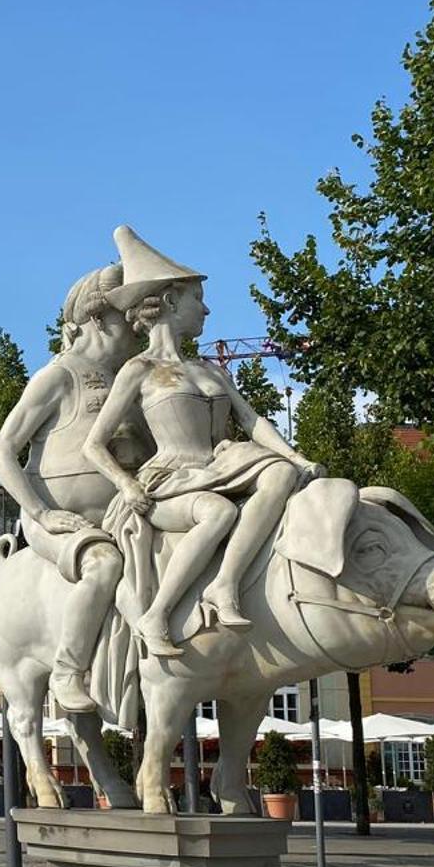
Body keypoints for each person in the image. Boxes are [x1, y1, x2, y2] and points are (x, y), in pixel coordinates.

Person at [84, 226, 318, 657]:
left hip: (218, 467)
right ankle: (157, 615)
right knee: (217, 512)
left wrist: (296, 457)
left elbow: (252, 421)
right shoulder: (138, 370)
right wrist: (126, 484)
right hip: (168, 482)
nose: (207, 310)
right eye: (197, 299)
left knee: (281, 473)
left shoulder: (212, 371)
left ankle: (226, 584)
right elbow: (93, 444)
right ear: (171, 301)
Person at [0, 262, 141, 711]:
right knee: (104, 565)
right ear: (96, 319)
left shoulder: (130, 375)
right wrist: (40, 512)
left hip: (123, 515)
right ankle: (70, 669)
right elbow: (0, 453)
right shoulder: (60, 375)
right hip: (61, 522)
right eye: (125, 316)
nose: (136, 326)